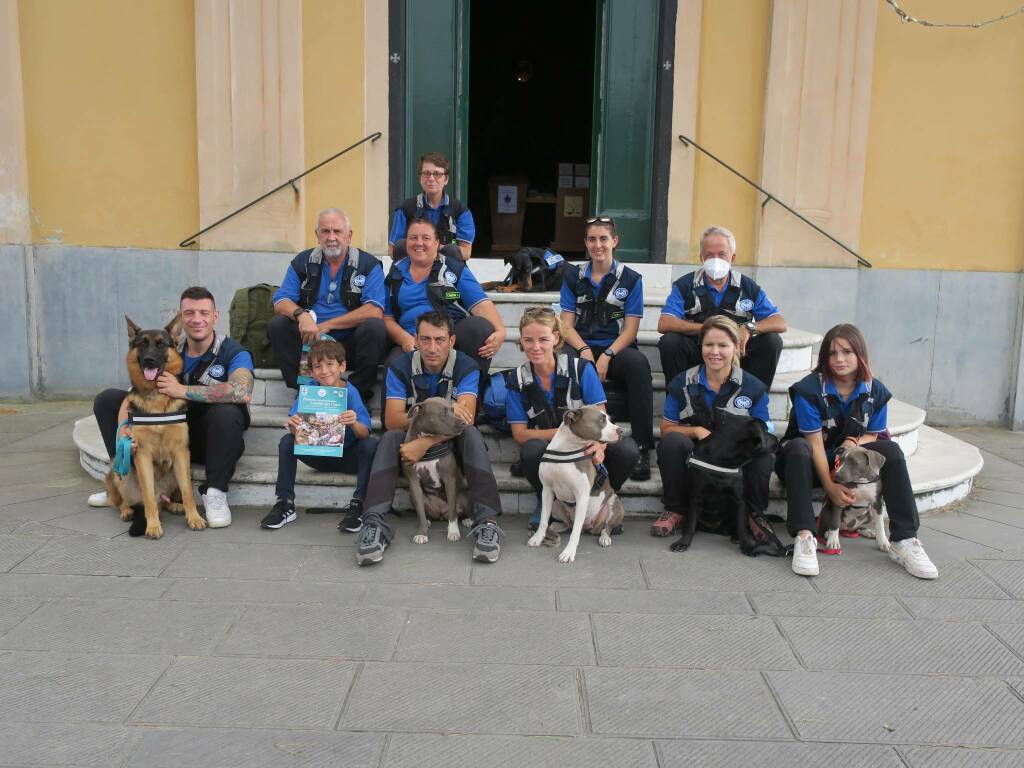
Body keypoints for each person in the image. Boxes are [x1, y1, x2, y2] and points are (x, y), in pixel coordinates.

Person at [776, 323, 938, 579]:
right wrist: (830, 487)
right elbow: (815, 444)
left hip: (848, 465)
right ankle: (805, 536)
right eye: (832, 353)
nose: (839, 359)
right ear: (824, 357)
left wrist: (855, 443)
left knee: (891, 450)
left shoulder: (875, 391)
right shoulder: (809, 390)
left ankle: (905, 539)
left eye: (847, 352)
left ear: (860, 354)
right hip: (807, 464)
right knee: (798, 447)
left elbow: (874, 434)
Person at [89, 286, 253, 528]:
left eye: (204, 313)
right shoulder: (168, 350)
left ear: (215, 316)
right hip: (167, 432)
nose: (197, 319)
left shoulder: (233, 352)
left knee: (227, 413)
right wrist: (124, 427)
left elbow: (243, 391)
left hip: (211, 441)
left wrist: (182, 390)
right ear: (181, 319)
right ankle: (123, 482)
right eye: (190, 313)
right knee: (107, 400)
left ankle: (215, 493)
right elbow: (135, 394)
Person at [356, 310, 504, 565]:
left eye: (439, 339)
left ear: (452, 341)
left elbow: (465, 418)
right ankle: (375, 524)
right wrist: (429, 418)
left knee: (470, 433)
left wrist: (424, 442)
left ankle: (487, 522)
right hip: (410, 441)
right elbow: (392, 419)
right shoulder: (400, 366)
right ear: (416, 339)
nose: (432, 348)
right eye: (425, 339)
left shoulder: (466, 366)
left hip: (452, 448)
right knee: (391, 437)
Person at [654, 316, 774, 540]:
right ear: (701, 346)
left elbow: (762, 431)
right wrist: (696, 431)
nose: (715, 352)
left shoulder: (753, 387)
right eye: (709, 345)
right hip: (698, 456)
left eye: (723, 345)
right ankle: (676, 509)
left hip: (734, 459)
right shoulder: (683, 382)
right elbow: (667, 428)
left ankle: (754, 514)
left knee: (763, 453)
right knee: (672, 443)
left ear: (737, 347)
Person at [507, 306, 640, 509]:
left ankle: (603, 503)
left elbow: (602, 419)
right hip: (552, 449)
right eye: (528, 340)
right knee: (531, 450)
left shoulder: (581, 369)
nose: (535, 347)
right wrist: (566, 434)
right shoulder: (516, 379)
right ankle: (548, 505)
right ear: (521, 341)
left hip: (585, 445)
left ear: (556, 338)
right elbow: (519, 435)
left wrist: (600, 445)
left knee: (627, 450)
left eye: (543, 339)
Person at [559, 215, 654, 481]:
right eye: (592, 239)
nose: (597, 245)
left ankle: (642, 448)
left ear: (615, 241)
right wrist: (584, 351)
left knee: (638, 365)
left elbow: (631, 330)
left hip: (617, 347)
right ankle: (562, 443)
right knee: (564, 366)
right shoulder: (572, 277)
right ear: (586, 243)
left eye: (603, 239)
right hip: (582, 345)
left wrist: (608, 355)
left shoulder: (631, 279)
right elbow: (566, 327)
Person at [268, 208, 387, 404]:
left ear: (349, 236)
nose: (331, 237)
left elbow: (374, 309)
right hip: (311, 340)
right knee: (278, 324)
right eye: (325, 231)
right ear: (317, 236)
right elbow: (281, 301)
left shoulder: (368, 265)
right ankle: (305, 390)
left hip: (349, 342)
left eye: (337, 231)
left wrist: (330, 324)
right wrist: (301, 315)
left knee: (375, 327)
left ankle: (356, 392)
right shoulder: (303, 262)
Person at [260, 339, 379, 531]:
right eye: (318, 366)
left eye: (330, 364)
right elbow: (295, 428)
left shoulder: (350, 392)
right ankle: (285, 502)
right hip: (315, 453)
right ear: (311, 371)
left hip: (346, 456)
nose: (324, 371)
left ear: (342, 366)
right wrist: (294, 424)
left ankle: (359, 504)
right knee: (287, 442)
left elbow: (364, 433)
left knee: (371, 445)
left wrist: (353, 422)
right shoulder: (309, 391)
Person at [658, 225, 788, 390]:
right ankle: (681, 403)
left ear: (732, 258)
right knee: (671, 342)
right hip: (700, 351)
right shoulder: (685, 285)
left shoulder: (747, 287)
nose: (716, 260)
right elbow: (665, 323)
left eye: (721, 254)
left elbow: (779, 322)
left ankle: (752, 401)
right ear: (701, 258)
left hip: (737, 353)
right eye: (709, 255)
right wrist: (708, 330)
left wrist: (749, 328)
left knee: (771, 341)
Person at [383, 218, 505, 380]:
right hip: (412, 338)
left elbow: (481, 305)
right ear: (406, 243)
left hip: (449, 337)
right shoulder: (395, 275)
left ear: (436, 243)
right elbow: (387, 318)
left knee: (478, 326)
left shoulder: (453, 269)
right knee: (393, 367)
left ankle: (474, 396)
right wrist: (404, 338)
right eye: (413, 238)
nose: (419, 243)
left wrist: (501, 331)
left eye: (426, 238)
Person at [389, 151, 475, 261]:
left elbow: (466, 252)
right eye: (426, 173)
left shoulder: (461, 211)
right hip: (413, 267)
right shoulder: (405, 209)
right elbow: (393, 250)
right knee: (401, 246)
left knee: (453, 251)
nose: (431, 178)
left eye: (437, 174)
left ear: (446, 179)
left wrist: (434, 249)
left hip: (449, 269)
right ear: (420, 178)